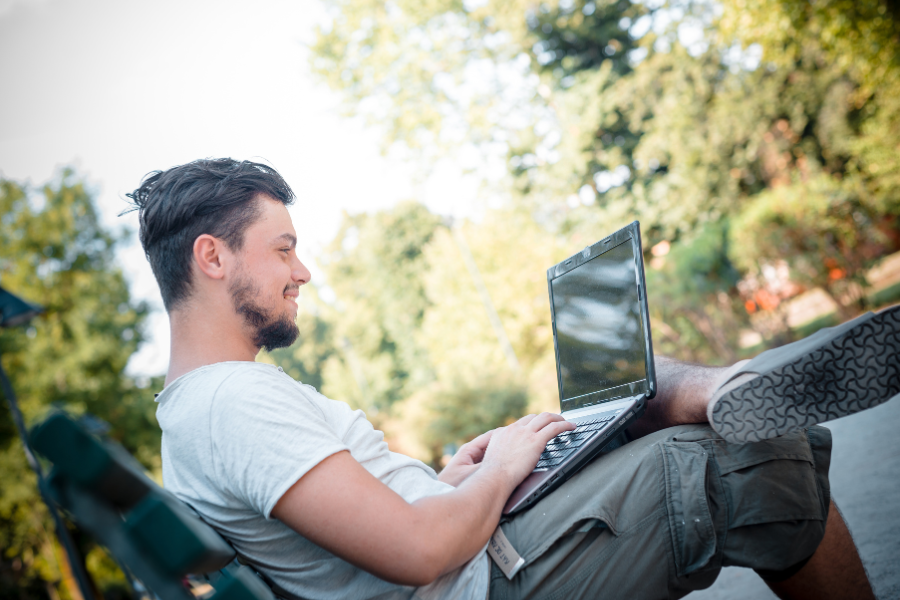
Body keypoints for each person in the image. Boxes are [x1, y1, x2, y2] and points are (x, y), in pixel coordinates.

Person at [128, 158, 895, 600]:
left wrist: (452, 476)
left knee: (614, 404)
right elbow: (422, 554)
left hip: (478, 551)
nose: (304, 271)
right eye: (284, 248)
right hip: (482, 581)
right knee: (749, 457)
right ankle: (720, 399)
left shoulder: (208, 405)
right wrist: (494, 475)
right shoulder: (233, 403)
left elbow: (378, 530)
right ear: (212, 257)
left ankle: (713, 390)